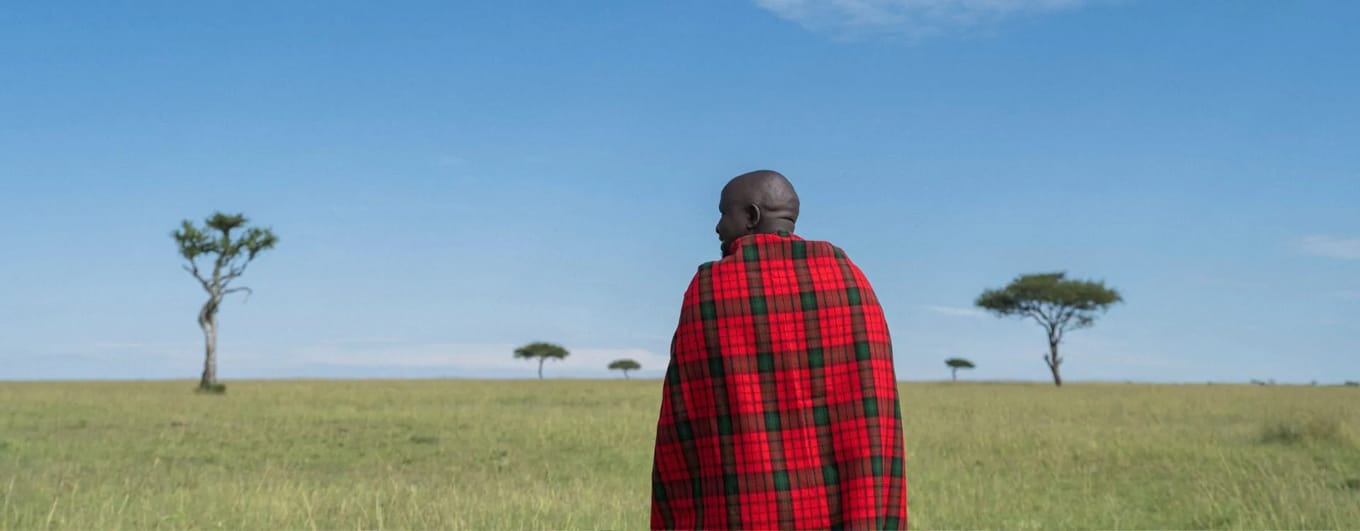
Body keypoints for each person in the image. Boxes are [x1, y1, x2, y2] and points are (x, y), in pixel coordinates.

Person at [651, 170, 908, 530]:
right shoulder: (851, 281)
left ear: (752, 217)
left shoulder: (711, 288)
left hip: (747, 507)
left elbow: (690, 413)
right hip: (847, 506)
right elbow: (873, 412)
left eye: (724, 213)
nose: (718, 227)